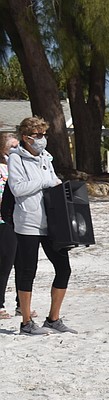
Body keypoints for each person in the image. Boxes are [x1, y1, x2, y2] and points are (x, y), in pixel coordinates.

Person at [7, 116, 76, 335]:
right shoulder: (16, 158)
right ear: (26, 137)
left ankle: (53, 319)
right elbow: (18, 188)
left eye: (43, 134)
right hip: (28, 222)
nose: (42, 139)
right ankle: (26, 322)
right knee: (28, 271)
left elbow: (53, 181)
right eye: (37, 135)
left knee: (64, 268)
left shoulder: (47, 157)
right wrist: (45, 182)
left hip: (52, 223)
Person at [0, 133, 20, 319]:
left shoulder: (20, 165)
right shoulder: (2, 169)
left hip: (21, 218)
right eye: (12, 146)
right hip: (3, 219)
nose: (16, 148)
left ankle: (21, 303)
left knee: (22, 262)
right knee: (5, 262)